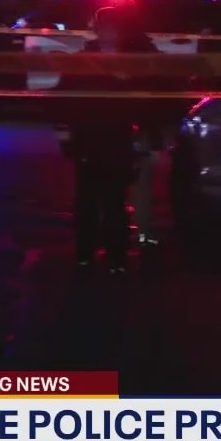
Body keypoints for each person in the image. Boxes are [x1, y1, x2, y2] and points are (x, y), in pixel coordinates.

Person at [58, 15, 161, 272]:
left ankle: (116, 256)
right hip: (89, 137)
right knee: (88, 199)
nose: (109, 34)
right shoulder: (83, 60)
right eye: (105, 29)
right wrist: (67, 133)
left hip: (118, 136)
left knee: (114, 199)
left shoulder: (131, 61)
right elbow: (65, 98)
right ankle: (86, 253)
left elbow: (147, 100)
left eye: (113, 29)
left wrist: (145, 134)